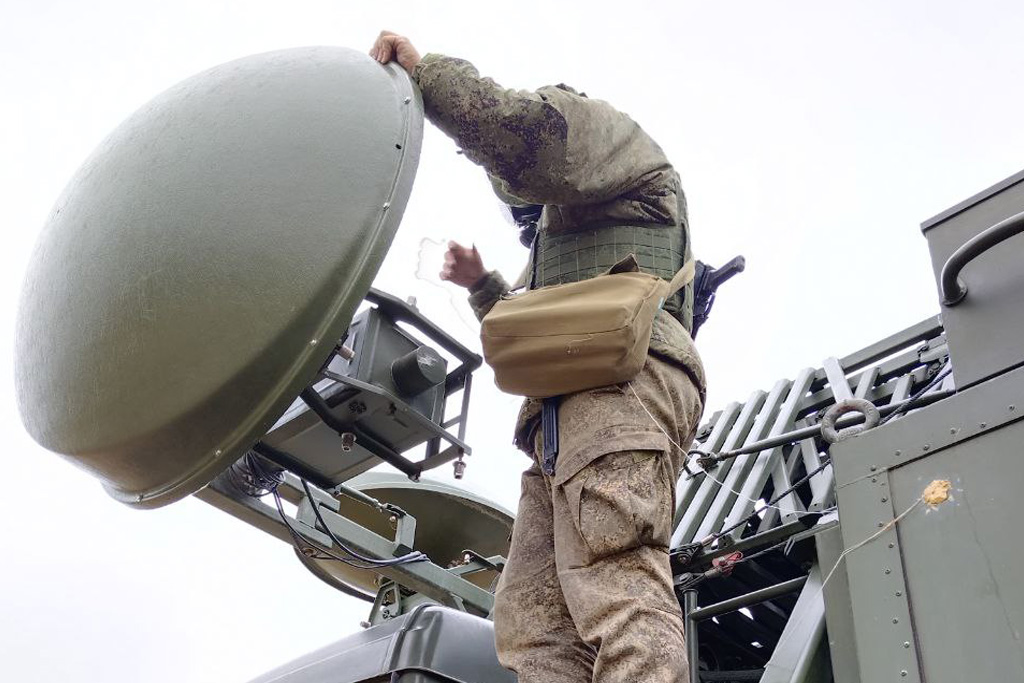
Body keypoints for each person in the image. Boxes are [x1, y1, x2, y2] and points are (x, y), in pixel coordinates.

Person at [370, 31, 706, 683]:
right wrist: (482, 287)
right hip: (567, 422)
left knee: (617, 584)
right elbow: (539, 335)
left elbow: (522, 133)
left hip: (618, 399)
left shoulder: (614, 143)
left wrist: (426, 74)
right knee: (537, 627)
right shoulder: (571, 242)